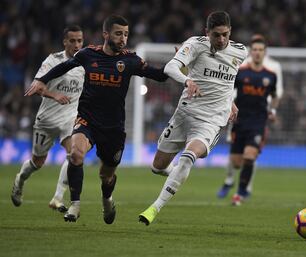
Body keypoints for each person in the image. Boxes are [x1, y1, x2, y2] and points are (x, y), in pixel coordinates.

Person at [24, 14, 168, 224]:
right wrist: (41, 80)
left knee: (106, 175)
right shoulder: (88, 54)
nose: (123, 38)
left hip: (114, 127)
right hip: (87, 119)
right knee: (75, 155)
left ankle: (107, 198)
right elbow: (64, 66)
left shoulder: (130, 60)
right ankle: (75, 204)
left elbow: (159, 75)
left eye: (126, 34)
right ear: (106, 34)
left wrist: (179, 64)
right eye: (119, 34)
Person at [139, 11, 248, 225]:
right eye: (216, 35)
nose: (221, 40)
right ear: (206, 32)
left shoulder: (240, 51)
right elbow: (170, 67)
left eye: (225, 34)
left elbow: (229, 80)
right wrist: (187, 80)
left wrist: (230, 102)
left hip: (212, 120)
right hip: (184, 114)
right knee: (158, 166)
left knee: (189, 156)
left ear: (230, 32)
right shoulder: (196, 44)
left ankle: (154, 208)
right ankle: (177, 174)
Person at [11, 25, 84, 213]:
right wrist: (54, 95)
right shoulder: (53, 60)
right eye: (73, 41)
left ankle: (58, 197)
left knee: (75, 154)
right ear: (65, 42)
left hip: (71, 117)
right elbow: (36, 87)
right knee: (37, 162)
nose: (77, 44)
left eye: (80, 40)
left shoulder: (85, 62)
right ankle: (20, 179)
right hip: (48, 119)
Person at [217, 34, 280, 205]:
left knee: (250, 156)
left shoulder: (271, 75)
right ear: (250, 52)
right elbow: (228, 90)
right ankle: (231, 181)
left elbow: (274, 96)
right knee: (237, 163)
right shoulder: (241, 72)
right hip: (239, 121)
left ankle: (240, 193)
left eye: (261, 50)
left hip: (258, 122)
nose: (257, 53)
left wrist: (272, 110)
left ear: (265, 53)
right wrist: (229, 107)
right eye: (255, 50)